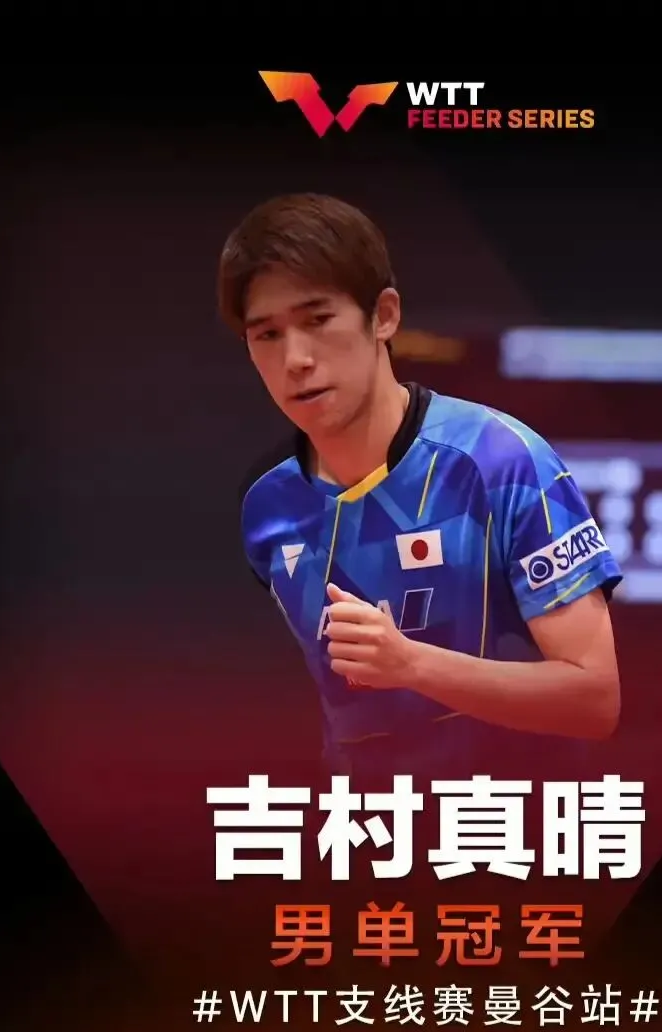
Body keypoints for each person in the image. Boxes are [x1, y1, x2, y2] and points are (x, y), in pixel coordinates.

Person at [220, 193, 622, 782]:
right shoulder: (267, 506)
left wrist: (411, 664)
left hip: (508, 823)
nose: (296, 358)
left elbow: (595, 700)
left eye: (318, 320)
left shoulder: (502, 462)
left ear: (383, 316)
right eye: (267, 335)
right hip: (371, 824)